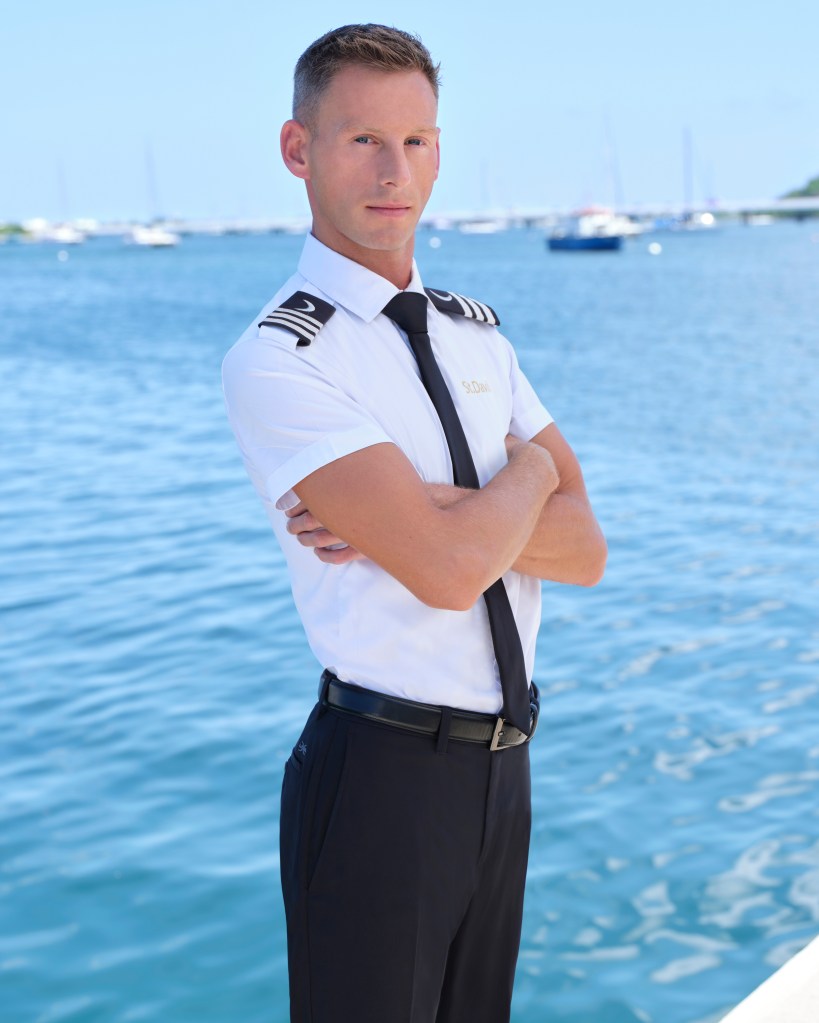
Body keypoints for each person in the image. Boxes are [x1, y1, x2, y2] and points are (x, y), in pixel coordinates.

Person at [221, 23, 606, 1023]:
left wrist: (450, 506)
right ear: (299, 150)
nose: (398, 172)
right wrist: (525, 475)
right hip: (379, 782)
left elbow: (590, 550)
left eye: (420, 141)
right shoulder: (283, 358)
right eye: (363, 141)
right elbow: (444, 573)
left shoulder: (475, 331)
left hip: (503, 772)